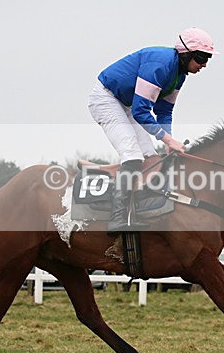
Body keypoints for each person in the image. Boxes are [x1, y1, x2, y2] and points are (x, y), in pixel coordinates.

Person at [88, 27, 217, 233]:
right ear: (186, 54)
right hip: (107, 99)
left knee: (150, 156)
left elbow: (164, 111)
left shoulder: (179, 75)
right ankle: (117, 218)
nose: (204, 64)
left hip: (127, 105)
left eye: (208, 58)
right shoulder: (161, 65)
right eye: (201, 58)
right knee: (132, 155)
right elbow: (141, 112)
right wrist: (167, 140)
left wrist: (170, 141)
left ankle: (138, 208)